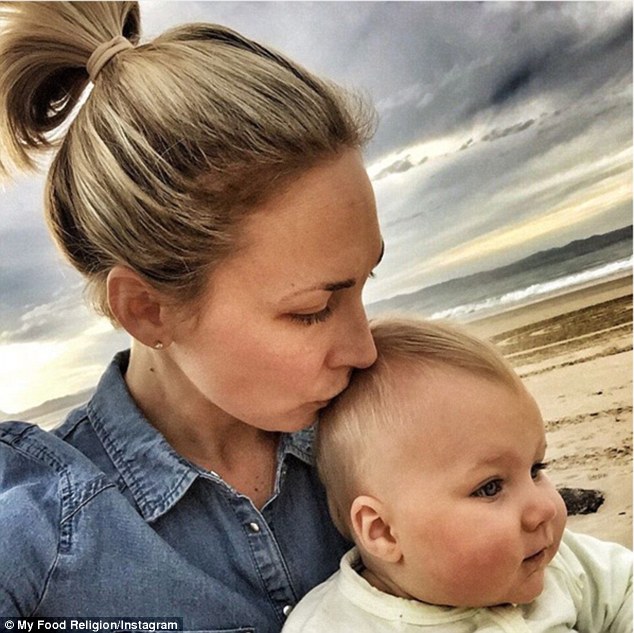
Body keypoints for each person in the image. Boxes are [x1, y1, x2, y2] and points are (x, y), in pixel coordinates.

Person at [0, 2, 384, 628]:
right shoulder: (36, 541)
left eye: (367, 282)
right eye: (313, 310)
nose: (365, 350)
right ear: (148, 311)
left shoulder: (389, 428)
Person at [283, 317, 633, 632]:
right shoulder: (334, 625)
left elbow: (625, 585)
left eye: (536, 469)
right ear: (383, 530)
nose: (544, 508)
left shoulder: (553, 563)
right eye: (490, 488)